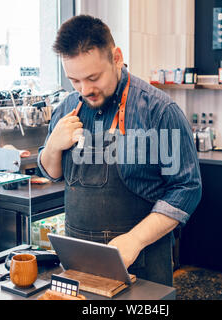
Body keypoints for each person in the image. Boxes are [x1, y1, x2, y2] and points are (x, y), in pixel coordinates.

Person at [38, 15, 201, 287]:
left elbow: (186, 188)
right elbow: (52, 172)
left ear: (116, 57)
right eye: (74, 80)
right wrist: (53, 146)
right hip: (77, 266)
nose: (85, 90)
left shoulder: (158, 111)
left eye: (93, 77)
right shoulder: (66, 108)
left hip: (143, 265)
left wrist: (134, 240)